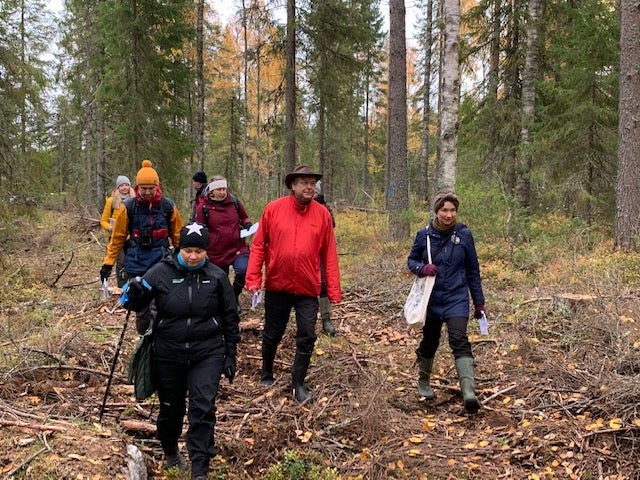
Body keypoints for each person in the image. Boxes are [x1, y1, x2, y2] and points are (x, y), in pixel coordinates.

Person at [120, 223, 240, 480]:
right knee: (171, 408)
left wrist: (230, 354)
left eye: (199, 251)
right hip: (168, 351)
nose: (193, 256)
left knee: (203, 408)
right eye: (188, 250)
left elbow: (231, 317)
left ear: (206, 251)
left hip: (207, 352)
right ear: (179, 249)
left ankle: (200, 468)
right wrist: (133, 292)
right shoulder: (160, 272)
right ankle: (171, 449)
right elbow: (132, 302)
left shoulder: (216, 277)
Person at [245, 165, 341, 403]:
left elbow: (329, 253)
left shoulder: (322, 215)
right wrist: (253, 278)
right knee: (272, 332)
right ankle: (266, 371)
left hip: (308, 288)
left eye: (312, 183)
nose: (310, 187)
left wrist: (333, 288)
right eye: (304, 182)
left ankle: (298, 383)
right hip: (278, 285)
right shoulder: (273, 210)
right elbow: (258, 246)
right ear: (292, 185)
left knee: (307, 335)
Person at [406, 190, 485, 414]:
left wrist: (479, 303)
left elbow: (473, 270)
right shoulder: (424, 235)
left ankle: (468, 391)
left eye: (452, 210)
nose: (448, 215)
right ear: (436, 211)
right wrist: (422, 268)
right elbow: (411, 261)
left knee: (459, 338)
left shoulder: (464, 235)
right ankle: (424, 383)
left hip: (457, 297)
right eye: (444, 210)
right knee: (430, 341)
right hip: (431, 299)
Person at [99, 160, 184, 334]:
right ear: (137, 187)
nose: (146, 192)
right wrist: (108, 263)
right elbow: (118, 238)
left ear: (157, 187)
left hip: (162, 263)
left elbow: (178, 235)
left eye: (150, 188)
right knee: (141, 308)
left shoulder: (168, 206)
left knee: (161, 304)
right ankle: (144, 341)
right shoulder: (128, 208)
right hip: (137, 263)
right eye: (143, 188)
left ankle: (159, 341)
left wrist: (182, 258)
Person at [194, 175, 252, 309]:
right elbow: (200, 229)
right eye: (219, 189)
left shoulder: (234, 201)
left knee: (243, 270)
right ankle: (225, 303)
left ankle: (234, 295)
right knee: (221, 279)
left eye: (224, 189)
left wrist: (248, 224)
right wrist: (203, 249)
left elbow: (244, 217)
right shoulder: (203, 207)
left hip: (238, 247)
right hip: (216, 251)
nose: (222, 192)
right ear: (211, 191)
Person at [99, 175, 136, 287]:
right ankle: (122, 287)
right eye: (122, 185)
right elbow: (103, 221)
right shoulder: (111, 201)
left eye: (126, 185)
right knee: (120, 263)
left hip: (131, 238)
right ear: (117, 187)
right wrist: (111, 228)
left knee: (131, 262)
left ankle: (132, 285)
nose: (124, 187)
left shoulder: (134, 200)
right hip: (116, 237)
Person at [313, 180, 336, 335]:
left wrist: (321, 204)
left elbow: (332, 223)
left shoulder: (324, 207)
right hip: (301, 254)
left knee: (323, 285)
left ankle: (326, 319)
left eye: (315, 190)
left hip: (320, 252)